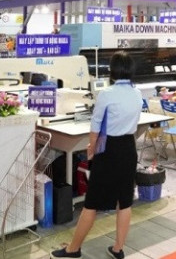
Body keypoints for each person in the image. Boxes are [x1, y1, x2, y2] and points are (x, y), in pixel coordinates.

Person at [51, 51, 142, 259]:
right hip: (129, 148)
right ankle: (118, 249)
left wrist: (91, 150)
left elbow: (95, 126)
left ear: (113, 70)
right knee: (124, 202)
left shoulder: (107, 94)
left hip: (108, 149)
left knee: (91, 202)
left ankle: (73, 249)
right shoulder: (137, 93)